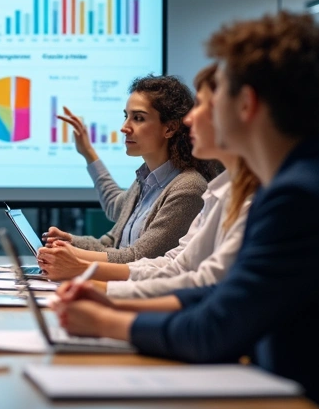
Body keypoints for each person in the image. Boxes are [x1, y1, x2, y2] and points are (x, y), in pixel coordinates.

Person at [54, 12, 319, 409]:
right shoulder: (305, 179)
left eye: (213, 100)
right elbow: (220, 295)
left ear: (247, 104)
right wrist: (113, 303)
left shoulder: (301, 196)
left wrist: (105, 321)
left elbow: (213, 330)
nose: (193, 117)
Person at [91, 64, 259, 298]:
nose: (189, 119)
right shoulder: (218, 190)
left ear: (245, 109)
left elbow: (204, 284)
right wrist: (93, 280)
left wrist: (92, 279)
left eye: (205, 106)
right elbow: (177, 266)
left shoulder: (193, 187)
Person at [37, 75, 217, 279]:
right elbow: (113, 235)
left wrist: (73, 255)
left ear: (170, 128)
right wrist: (70, 242)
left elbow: (137, 257)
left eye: (138, 118)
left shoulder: (188, 187)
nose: (124, 127)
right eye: (126, 116)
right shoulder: (147, 178)